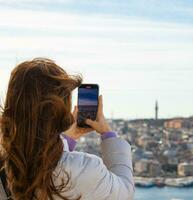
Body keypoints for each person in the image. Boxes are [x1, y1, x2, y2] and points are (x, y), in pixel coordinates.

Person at [0, 58, 134, 200]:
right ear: (62, 110)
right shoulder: (84, 170)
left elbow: (39, 154)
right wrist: (108, 135)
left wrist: (68, 138)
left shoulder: (6, 167)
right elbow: (124, 192)